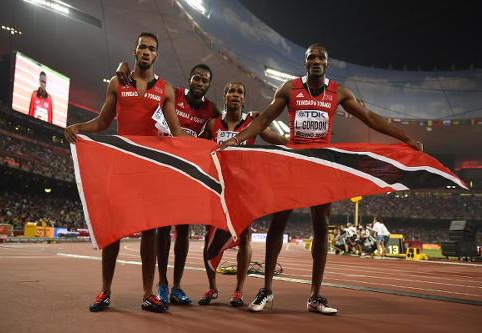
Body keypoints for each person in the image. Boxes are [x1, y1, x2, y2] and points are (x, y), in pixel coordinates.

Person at [220, 44, 423, 314]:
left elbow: (369, 118)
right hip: (294, 163)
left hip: (320, 164)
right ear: (305, 63)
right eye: (311, 57)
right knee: (278, 222)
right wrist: (237, 138)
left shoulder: (338, 92)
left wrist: (405, 138)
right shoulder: (289, 89)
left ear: (327, 64)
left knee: (321, 224)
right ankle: (267, 289)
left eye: (321, 58)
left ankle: (315, 295)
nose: (316, 61)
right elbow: (266, 119)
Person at [64, 32, 190, 313]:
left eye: (152, 49)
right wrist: (78, 127)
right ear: (134, 52)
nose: (147, 52)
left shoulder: (166, 90)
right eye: (142, 47)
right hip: (121, 164)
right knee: (113, 230)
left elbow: (178, 133)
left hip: (149, 168)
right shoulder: (117, 83)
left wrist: (204, 149)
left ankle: (148, 294)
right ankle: (105, 291)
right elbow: (104, 121)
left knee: (149, 230)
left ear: (156, 55)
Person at [116, 62, 221, 305]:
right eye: (196, 78)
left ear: (208, 85)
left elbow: (221, 127)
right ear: (190, 78)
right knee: (162, 227)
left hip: (187, 172)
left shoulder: (211, 110)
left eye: (204, 80)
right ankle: (162, 283)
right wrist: (124, 66)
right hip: (165, 167)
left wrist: (249, 116)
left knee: (183, 229)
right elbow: (147, 81)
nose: (199, 82)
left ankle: (177, 287)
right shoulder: (174, 93)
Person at [198, 81, 287, 307]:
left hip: (243, 190)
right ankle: (212, 288)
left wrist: (302, 143)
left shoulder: (253, 123)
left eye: (239, 92)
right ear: (225, 96)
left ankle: (238, 291)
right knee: (210, 238)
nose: (235, 95)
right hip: (217, 188)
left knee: (245, 237)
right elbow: (196, 147)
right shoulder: (212, 124)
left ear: (244, 99)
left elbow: (278, 141)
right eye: (231, 91)